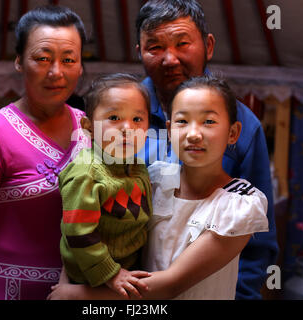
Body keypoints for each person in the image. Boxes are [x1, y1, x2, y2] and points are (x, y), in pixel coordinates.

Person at [48, 75, 269, 300]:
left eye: (209, 122)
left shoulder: (238, 205)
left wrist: (74, 294)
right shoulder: (155, 178)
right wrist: (67, 281)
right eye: (182, 121)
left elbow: (169, 286)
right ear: (169, 130)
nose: (193, 134)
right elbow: (84, 229)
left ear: (232, 133)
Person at [135, 0, 278, 299]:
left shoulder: (242, 125)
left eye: (182, 43)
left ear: (208, 46)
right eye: (155, 47)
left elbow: (257, 244)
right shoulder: (122, 118)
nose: (170, 59)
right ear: (139, 51)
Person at [0, 5, 90, 300]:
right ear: (19, 61)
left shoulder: (91, 127)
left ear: (80, 66)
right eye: (42, 59)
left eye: (69, 60)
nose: (56, 72)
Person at [58, 73, 152, 299]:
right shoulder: (86, 172)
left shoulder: (137, 167)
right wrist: (111, 275)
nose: (127, 128)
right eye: (114, 117)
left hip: (127, 273)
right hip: (91, 279)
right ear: (88, 127)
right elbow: (78, 233)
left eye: (137, 119)